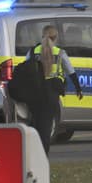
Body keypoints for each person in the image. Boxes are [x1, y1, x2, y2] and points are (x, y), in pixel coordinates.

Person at [28, 23, 83, 154]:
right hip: (52, 93)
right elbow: (71, 72)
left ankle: (33, 153)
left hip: (35, 92)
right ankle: (43, 155)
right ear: (55, 38)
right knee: (47, 126)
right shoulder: (60, 53)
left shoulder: (33, 51)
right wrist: (78, 89)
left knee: (35, 124)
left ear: (42, 36)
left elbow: (26, 68)